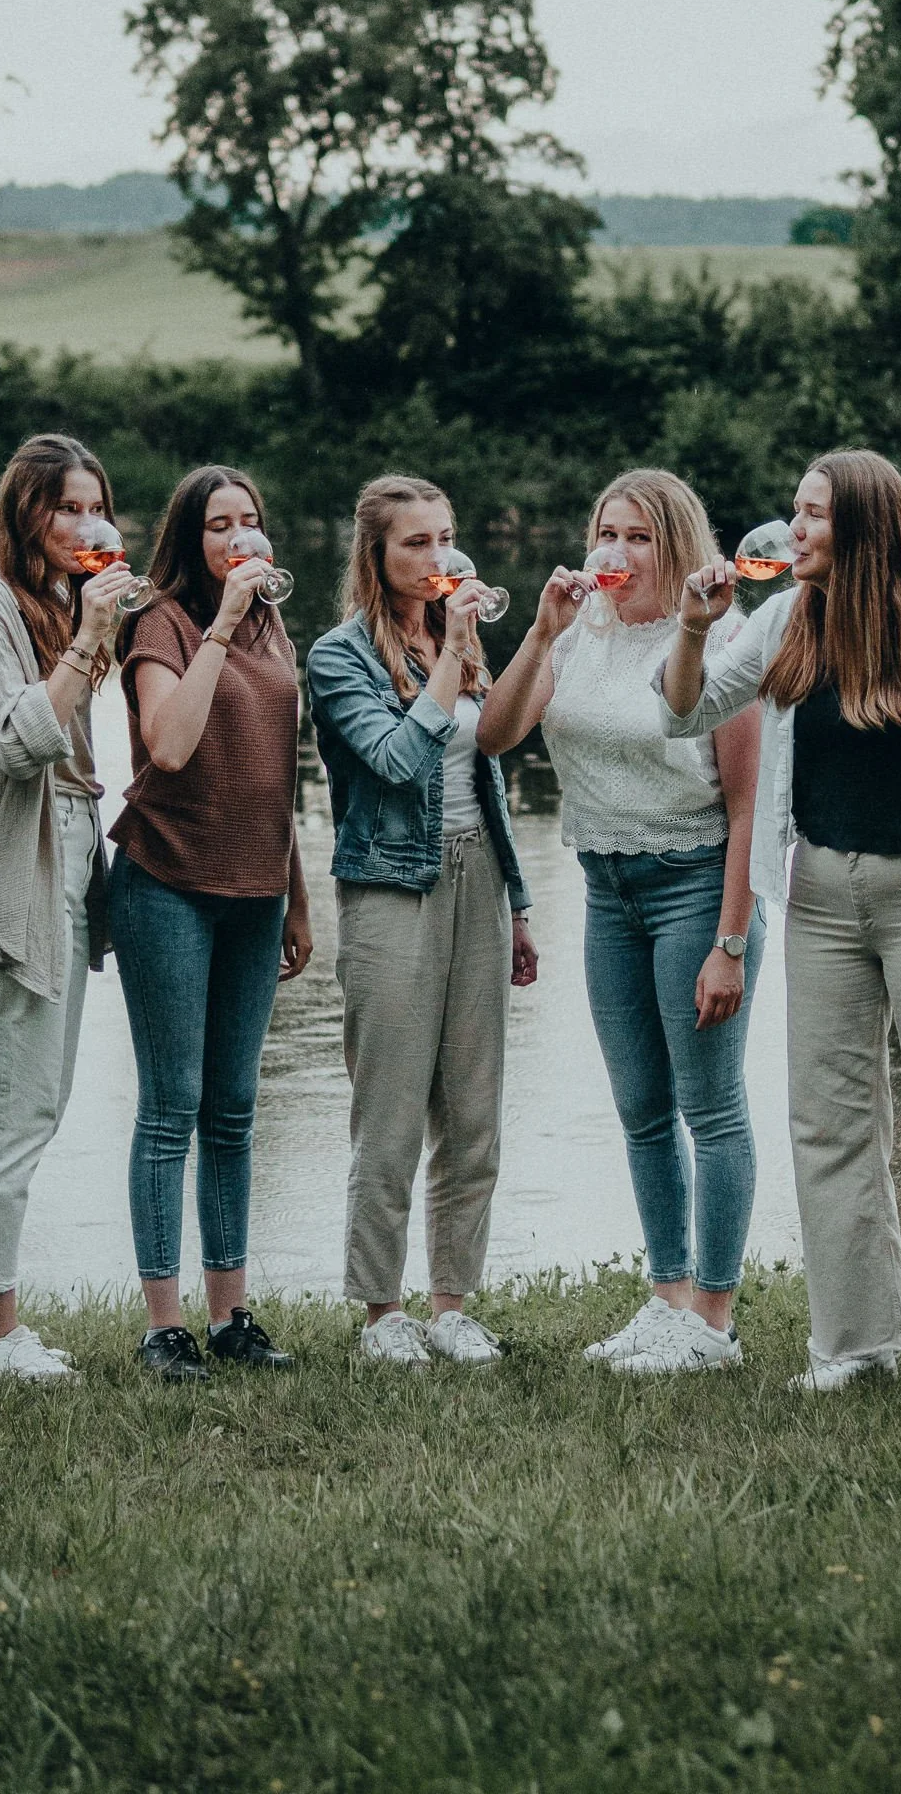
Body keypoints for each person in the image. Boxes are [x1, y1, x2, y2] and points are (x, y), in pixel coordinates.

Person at [660, 449, 901, 1394]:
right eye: (796, 510)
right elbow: (685, 711)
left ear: (864, 522)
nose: (795, 530)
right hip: (819, 894)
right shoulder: (784, 617)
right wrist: (693, 628)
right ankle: (855, 1345)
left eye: (815, 514)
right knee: (827, 1120)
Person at [478, 469, 765, 1374]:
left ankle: (713, 1321)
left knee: (710, 1108)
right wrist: (541, 631)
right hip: (607, 892)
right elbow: (495, 736)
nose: (618, 552)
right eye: (608, 532)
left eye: (639, 536)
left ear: (675, 544)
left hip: (695, 886)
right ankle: (666, 1298)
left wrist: (729, 944)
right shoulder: (580, 630)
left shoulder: (722, 635)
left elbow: (751, 808)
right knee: (642, 1108)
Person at [307, 475, 538, 1367]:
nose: (440, 558)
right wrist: (455, 656)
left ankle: (452, 1306)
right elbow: (399, 762)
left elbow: (490, 769)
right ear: (376, 554)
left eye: (446, 538)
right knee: (391, 1114)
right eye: (417, 542)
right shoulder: (339, 658)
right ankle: (382, 1314)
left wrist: (518, 901)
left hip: (478, 879)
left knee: (474, 1112)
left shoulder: (454, 641)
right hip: (390, 887)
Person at [0, 435, 136, 1383]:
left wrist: (90, 626)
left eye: (97, 508)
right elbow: (18, 746)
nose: (88, 526)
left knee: (31, 1104)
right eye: (66, 508)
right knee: (14, 1108)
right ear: (24, 509)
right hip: (9, 872)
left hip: (65, 865)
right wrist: (91, 635)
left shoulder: (45, 600)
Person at [109, 466, 312, 1383]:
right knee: (171, 1107)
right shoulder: (161, 622)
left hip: (255, 891)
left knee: (233, 1108)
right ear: (190, 537)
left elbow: (274, 770)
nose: (239, 539)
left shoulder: (275, 623)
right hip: (167, 879)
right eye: (219, 524)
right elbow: (171, 744)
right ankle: (165, 1327)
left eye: (251, 521)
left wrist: (294, 892)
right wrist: (221, 626)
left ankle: (232, 1317)